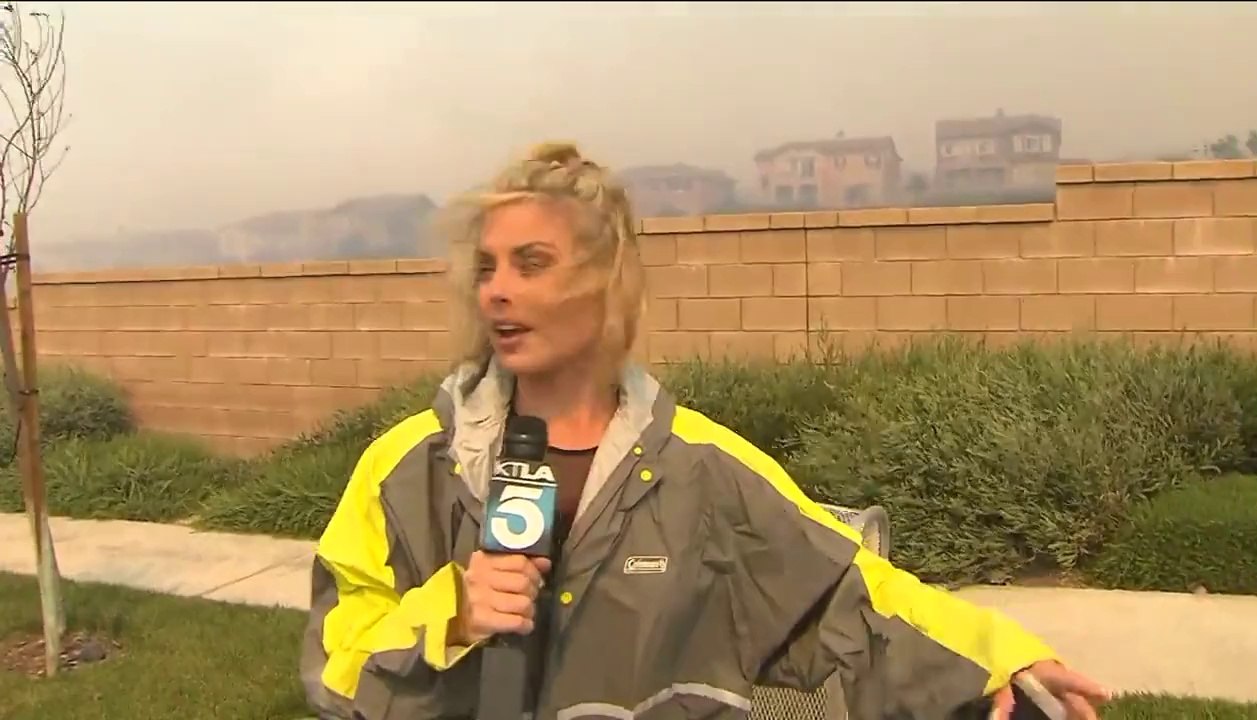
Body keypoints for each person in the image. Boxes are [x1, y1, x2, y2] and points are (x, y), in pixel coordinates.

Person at [298, 141, 1111, 720]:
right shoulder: (407, 468)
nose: (497, 293)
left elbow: (854, 599)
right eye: (486, 269)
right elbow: (334, 670)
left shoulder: (707, 472)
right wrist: (454, 613)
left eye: (531, 263)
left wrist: (1004, 654)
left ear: (605, 281)